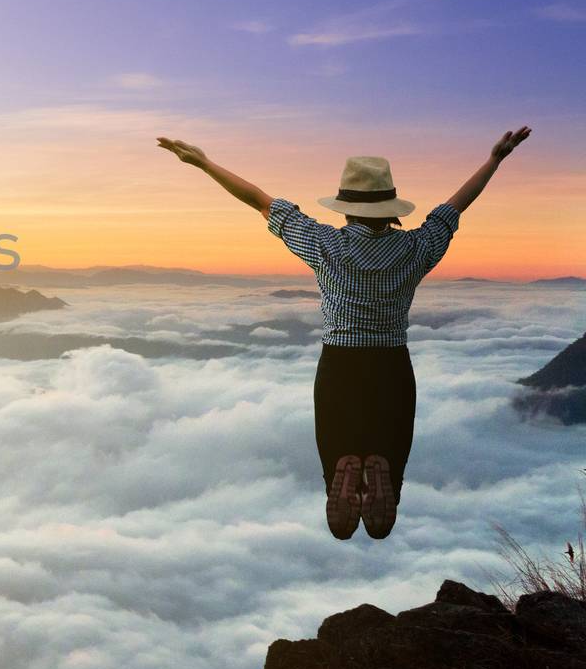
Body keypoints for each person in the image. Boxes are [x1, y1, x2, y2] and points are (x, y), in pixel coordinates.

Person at [154, 128, 532, 540]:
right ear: (391, 208)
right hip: (392, 366)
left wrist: (204, 163)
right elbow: (456, 206)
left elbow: (257, 199)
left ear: (345, 207)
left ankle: (343, 469)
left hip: (339, 365)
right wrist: (495, 159)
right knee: (392, 450)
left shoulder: (323, 244)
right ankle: (385, 487)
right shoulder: (417, 248)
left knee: (336, 453)